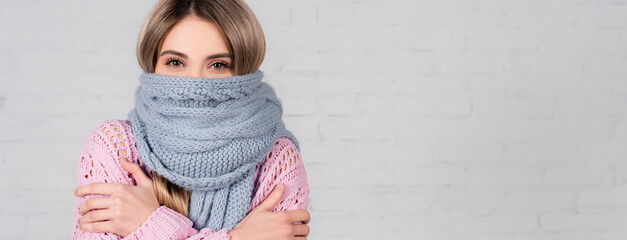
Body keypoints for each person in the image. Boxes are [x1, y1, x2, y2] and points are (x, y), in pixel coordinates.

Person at [71, 0, 311, 239]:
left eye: (218, 65)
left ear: (243, 70)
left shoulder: (277, 157)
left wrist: (148, 223)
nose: (196, 83)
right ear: (152, 64)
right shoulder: (114, 146)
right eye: (175, 62)